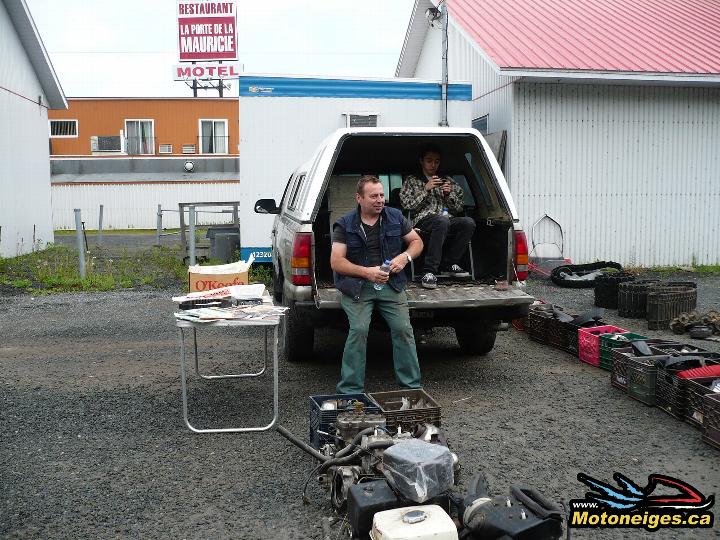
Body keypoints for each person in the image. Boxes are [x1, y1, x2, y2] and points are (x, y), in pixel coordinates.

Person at [330, 175, 424, 394]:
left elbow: (417, 242)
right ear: (359, 198)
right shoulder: (344, 224)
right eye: (374, 196)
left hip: (391, 285)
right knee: (359, 329)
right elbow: (336, 262)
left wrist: (405, 258)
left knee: (403, 329)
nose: (380, 200)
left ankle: (411, 389)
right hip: (357, 287)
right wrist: (367, 273)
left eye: (382, 195)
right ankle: (350, 392)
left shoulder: (395, 217)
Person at [399, 144, 476, 289]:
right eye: (429, 160)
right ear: (421, 161)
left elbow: (458, 208)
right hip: (422, 221)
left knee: (468, 222)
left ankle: (449, 264)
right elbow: (407, 205)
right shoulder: (411, 180)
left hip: (446, 220)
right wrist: (425, 189)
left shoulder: (447, 180)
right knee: (441, 221)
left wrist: (448, 195)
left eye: (437, 161)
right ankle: (429, 271)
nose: (433, 164)